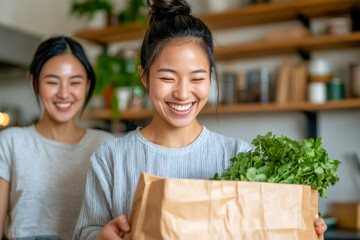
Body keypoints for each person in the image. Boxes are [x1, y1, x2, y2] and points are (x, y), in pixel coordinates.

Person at [73, 0, 328, 239]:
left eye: (197, 78)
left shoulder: (241, 156)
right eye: (167, 78)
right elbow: (86, 231)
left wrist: (303, 227)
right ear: (144, 77)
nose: (183, 93)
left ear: (211, 77)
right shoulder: (110, 158)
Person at [0, 36, 115, 240]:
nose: (63, 93)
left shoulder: (106, 146)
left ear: (87, 85)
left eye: (75, 82)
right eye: (52, 82)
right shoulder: (10, 143)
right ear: (34, 82)